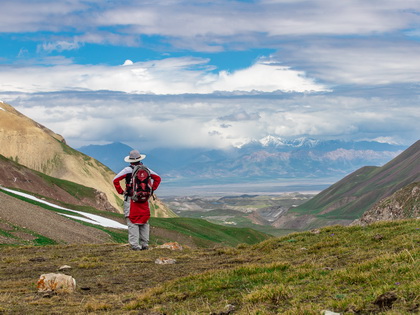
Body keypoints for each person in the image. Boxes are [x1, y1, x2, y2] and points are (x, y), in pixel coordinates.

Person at [113, 150, 161, 250]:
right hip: (144, 200)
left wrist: (121, 191)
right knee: (144, 220)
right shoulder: (146, 169)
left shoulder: (127, 170)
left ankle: (135, 245)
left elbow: (115, 180)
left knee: (132, 221)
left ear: (130, 160)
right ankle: (145, 244)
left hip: (132, 199)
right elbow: (157, 178)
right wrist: (151, 190)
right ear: (140, 159)